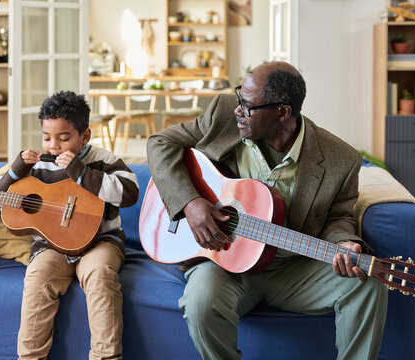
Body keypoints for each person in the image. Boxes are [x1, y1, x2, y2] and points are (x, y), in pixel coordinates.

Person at [146, 61, 388, 359]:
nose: (238, 110)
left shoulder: (341, 158)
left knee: (368, 282)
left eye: (247, 105)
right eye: (239, 99)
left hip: (293, 268)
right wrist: (190, 203)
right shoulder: (224, 114)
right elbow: (161, 143)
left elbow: (339, 216)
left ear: (283, 112)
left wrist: (344, 243)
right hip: (225, 263)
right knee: (199, 303)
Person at [0, 90, 139, 360]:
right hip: (52, 247)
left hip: (100, 243)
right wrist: (14, 171)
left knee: (100, 275)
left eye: (64, 138)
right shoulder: (35, 167)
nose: (53, 146)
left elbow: (129, 192)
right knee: (37, 278)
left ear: (85, 137)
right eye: (46, 138)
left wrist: (81, 172)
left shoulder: (102, 160)